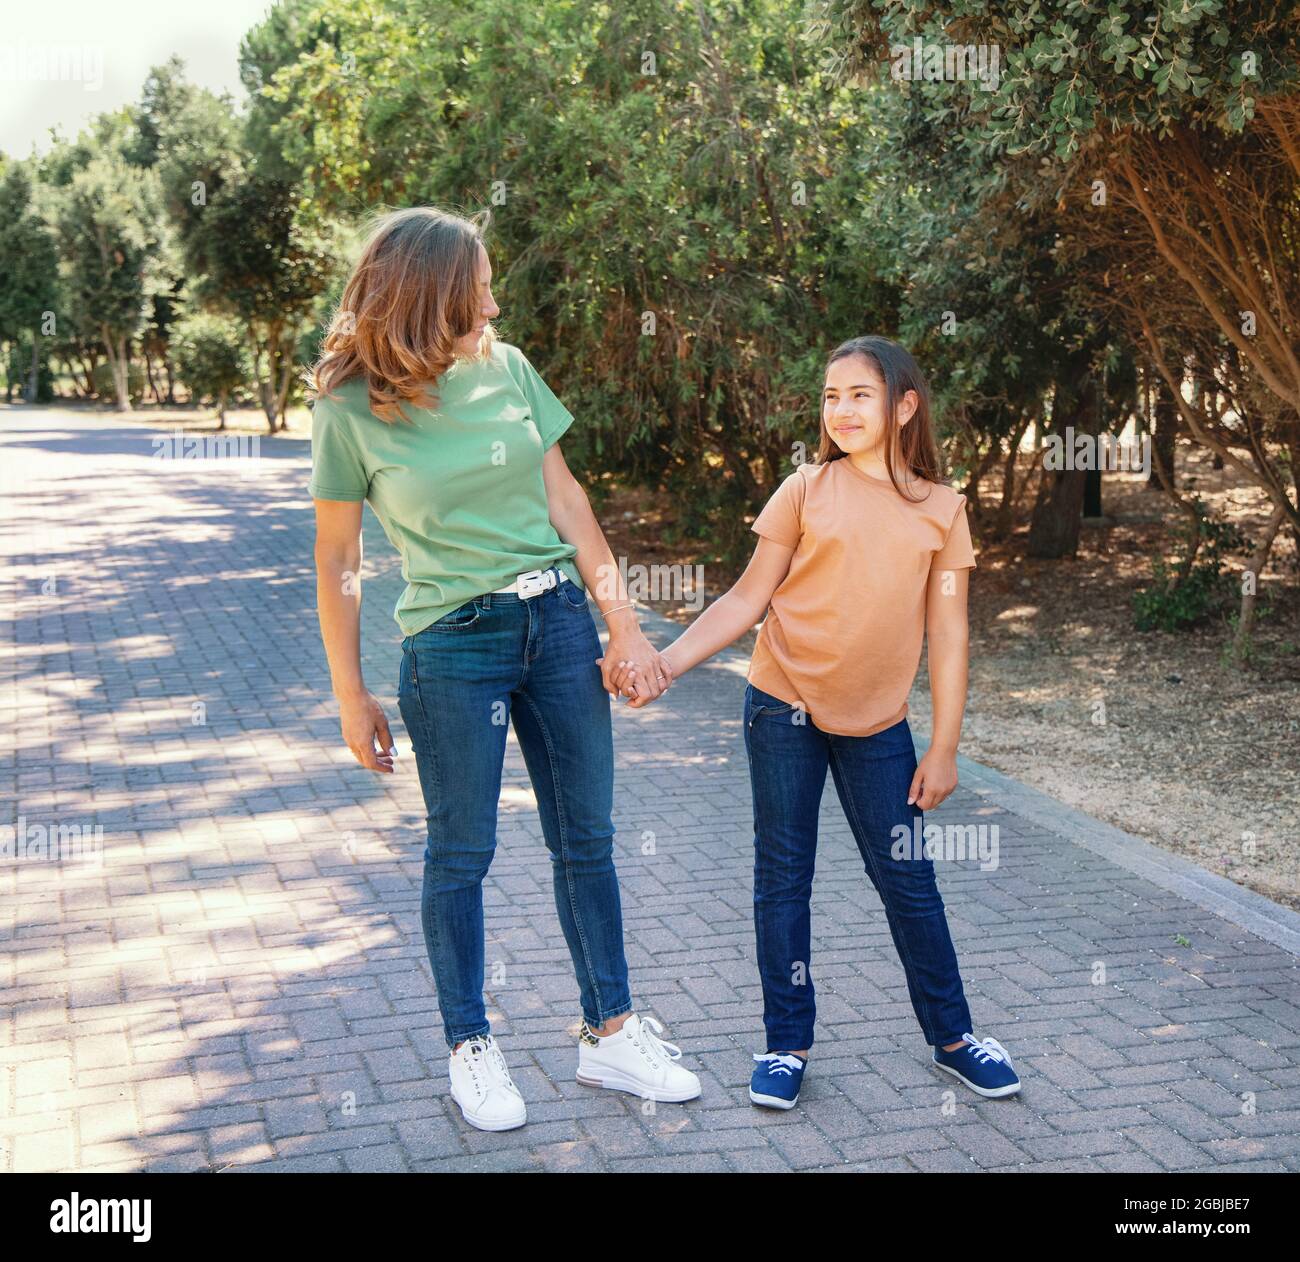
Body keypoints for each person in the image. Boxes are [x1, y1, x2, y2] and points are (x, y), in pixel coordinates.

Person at [308, 206, 699, 1132]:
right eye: (480, 282)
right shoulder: (350, 407)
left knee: (587, 838)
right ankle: (470, 1048)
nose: (494, 297)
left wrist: (623, 627)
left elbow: (566, 497)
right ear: (432, 292)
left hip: (558, 622)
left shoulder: (509, 366)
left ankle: (609, 1034)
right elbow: (336, 561)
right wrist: (348, 690)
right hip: (452, 643)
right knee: (462, 853)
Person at [615, 335, 1021, 1109]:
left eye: (860, 395)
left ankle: (955, 1037)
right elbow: (745, 598)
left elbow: (951, 634)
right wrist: (668, 663)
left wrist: (943, 747)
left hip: (880, 728)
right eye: (831, 396)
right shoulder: (803, 491)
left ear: (904, 406)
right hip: (784, 707)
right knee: (783, 877)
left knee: (908, 881)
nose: (841, 410)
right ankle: (785, 1044)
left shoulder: (943, 511)